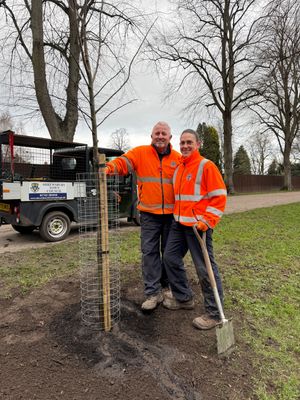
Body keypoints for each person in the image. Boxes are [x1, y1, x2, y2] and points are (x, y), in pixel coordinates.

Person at [105, 122, 181, 311]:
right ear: (151, 136)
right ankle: (152, 293)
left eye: (164, 133)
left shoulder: (178, 159)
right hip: (149, 215)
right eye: (157, 133)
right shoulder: (140, 153)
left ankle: (168, 286)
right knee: (150, 253)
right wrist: (106, 168)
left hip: (172, 216)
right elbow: (122, 163)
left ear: (170, 137)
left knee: (170, 254)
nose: (160, 136)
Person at [162, 129, 227, 330]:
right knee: (170, 258)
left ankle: (215, 314)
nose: (185, 146)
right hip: (179, 224)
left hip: (198, 227)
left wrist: (207, 221)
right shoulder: (180, 168)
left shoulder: (206, 166)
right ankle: (184, 298)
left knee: (204, 268)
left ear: (198, 144)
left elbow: (219, 196)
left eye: (189, 142)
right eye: (182, 143)